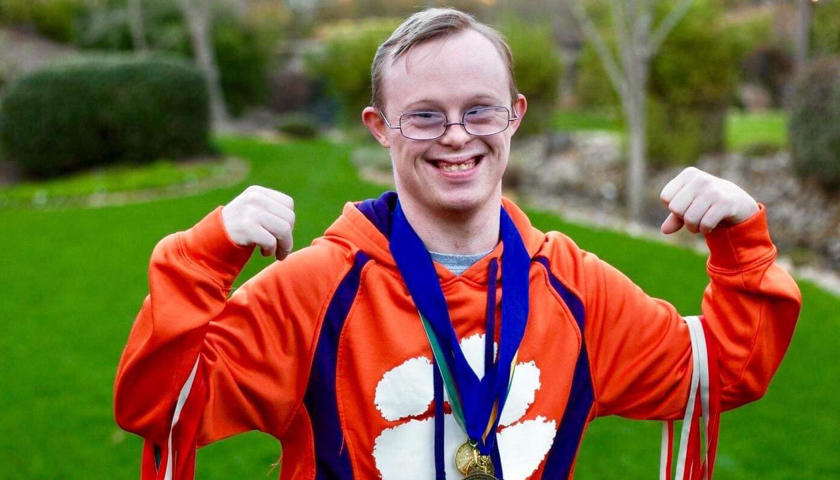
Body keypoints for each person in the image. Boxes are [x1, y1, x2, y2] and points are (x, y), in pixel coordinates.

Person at [114, 8, 801, 480]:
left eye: (479, 110)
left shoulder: (573, 287)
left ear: (516, 115)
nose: (456, 135)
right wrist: (202, 257)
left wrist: (740, 244)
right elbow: (157, 406)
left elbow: (726, 370)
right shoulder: (316, 290)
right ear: (380, 127)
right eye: (424, 116)